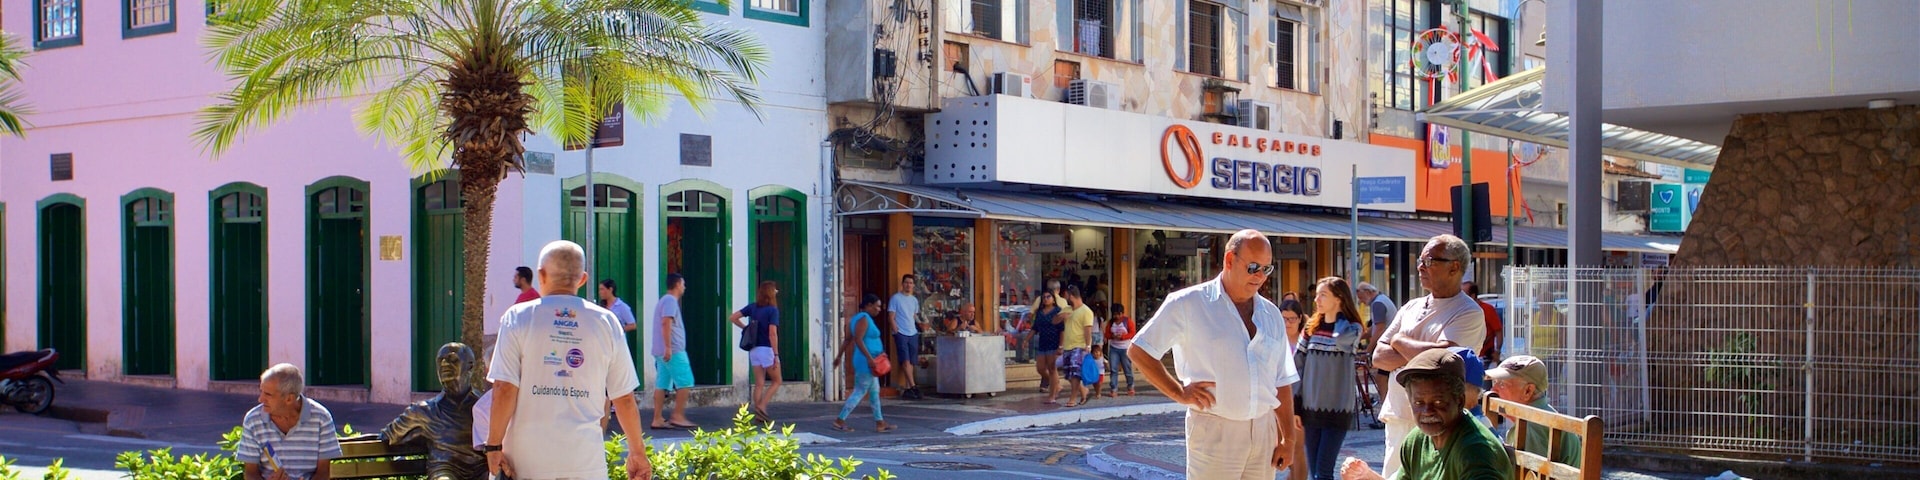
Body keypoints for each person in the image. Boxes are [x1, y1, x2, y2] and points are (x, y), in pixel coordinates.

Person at [1129, 229, 1300, 479]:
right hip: (1215, 431)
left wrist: (1288, 439)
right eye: (1253, 267)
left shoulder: (1272, 314)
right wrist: (1178, 392)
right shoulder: (1188, 303)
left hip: (1264, 432)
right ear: (1230, 260)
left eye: (1266, 269)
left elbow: (1282, 379)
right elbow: (1140, 350)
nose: (1260, 276)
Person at [484, 240, 650, 480]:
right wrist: (637, 452)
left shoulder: (517, 317)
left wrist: (494, 445)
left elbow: (504, 388)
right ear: (582, 279)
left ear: (541, 275)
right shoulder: (607, 322)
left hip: (525, 461)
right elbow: (623, 398)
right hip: (585, 461)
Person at [1371, 235, 1487, 478]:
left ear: (1455, 266)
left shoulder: (1469, 312)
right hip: (1400, 415)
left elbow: (1442, 360)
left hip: (1437, 419)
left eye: (1429, 260)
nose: (1421, 266)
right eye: (1420, 260)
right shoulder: (1411, 307)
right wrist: (1422, 353)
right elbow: (1379, 357)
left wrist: (1400, 341)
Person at [1341, 349, 1513, 480]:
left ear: (1459, 401)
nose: (1427, 411)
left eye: (1438, 402)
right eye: (1418, 403)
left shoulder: (1475, 451)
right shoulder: (1416, 441)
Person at [1295, 277, 1366, 480]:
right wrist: (1295, 406)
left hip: (1337, 409)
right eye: (1317, 294)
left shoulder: (1351, 328)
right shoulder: (1310, 328)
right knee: (1315, 472)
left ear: (1339, 298)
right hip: (1310, 408)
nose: (1316, 299)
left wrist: (1336, 317)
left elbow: (1341, 341)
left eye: (1323, 295)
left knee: (1324, 472)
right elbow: (1297, 366)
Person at [382, 343, 485, 480]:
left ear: (470, 366)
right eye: (440, 360)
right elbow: (387, 436)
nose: (444, 364)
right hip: (444, 470)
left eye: (452, 359)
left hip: (481, 470)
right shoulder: (423, 411)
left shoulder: (485, 406)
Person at [237, 363, 342, 480]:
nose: (260, 399)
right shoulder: (253, 420)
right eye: (261, 391)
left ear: (289, 399)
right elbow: (251, 473)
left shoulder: (321, 418)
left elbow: (323, 473)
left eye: (268, 394)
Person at [1487, 355, 1583, 465]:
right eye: (1494, 382)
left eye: (1502, 384)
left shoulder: (1532, 425)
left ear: (1528, 391)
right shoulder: (1540, 416)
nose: (1493, 390)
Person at [833, 294, 897, 433]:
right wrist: (870, 358)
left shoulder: (854, 320)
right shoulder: (864, 319)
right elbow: (858, 340)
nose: (879, 309)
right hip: (866, 361)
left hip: (866, 360)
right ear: (868, 305)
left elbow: (847, 340)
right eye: (877, 306)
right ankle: (840, 420)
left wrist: (839, 356)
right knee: (860, 391)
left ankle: (880, 422)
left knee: (874, 392)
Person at [729, 281, 784, 422]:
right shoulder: (773, 311)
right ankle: (762, 406)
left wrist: (745, 328)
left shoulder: (753, 307)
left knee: (759, 383)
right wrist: (776, 354)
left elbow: (733, 317)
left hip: (754, 349)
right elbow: (772, 333)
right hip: (767, 349)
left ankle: (759, 413)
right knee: (777, 381)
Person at [650, 273, 696, 430]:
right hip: (673, 350)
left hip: (661, 351)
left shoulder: (663, 300)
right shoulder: (670, 301)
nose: (684, 287)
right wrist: (668, 347)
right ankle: (677, 415)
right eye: (683, 284)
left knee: (662, 383)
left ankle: (657, 418)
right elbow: (666, 323)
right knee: (686, 381)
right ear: (677, 284)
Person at [1357, 281, 1397, 423]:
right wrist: (1359, 337)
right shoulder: (1382, 300)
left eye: (1361, 297)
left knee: (1381, 378)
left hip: (1388, 347)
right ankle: (1387, 409)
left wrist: (1368, 350)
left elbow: (1379, 329)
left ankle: (1386, 412)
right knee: (1382, 378)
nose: (1361, 301)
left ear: (1368, 292)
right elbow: (1373, 330)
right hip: (1391, 346)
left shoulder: (1377, 304)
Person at [1056, 285, 1097, 407]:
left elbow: (1088, 330)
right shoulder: (1067, 309)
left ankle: (1073, 398)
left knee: (1075, 373)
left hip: (1079, 346)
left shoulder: (1086, 311)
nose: (1065, 298)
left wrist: (1088, 345)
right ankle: (1083, 390)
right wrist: (1061, 316)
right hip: (1067, 346)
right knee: (1068, 374)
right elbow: (1054, 321)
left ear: (1071, 296)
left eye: (1066, 296)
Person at [888, 274, 926, 399]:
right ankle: (914, 386)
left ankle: (908, 388)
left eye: (910, 283)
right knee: (905, 360)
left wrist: (921, 324)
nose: (908, 285)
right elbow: (891, 317)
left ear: (913, 285)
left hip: (912, 332)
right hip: (901, 333)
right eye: (906, 282)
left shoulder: (914, 300)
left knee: (911, 361)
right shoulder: (896, 298)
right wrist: (896, 331)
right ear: (902, 284)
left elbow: (914, 315)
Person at [1033, 291, 1067, 401]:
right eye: (1044, 297)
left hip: (1054, 343)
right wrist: (1026, 340)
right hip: (1043, 343)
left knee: (1052, 369)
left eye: (1048, 296)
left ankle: (1052, 395)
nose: (1046, 299)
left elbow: (1062, 330)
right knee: (1041, 368)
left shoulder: (1057, 312)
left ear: (1053, 299)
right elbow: (1035, 327)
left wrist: (1061, 346)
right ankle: (1056, 384)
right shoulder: (1040, 312)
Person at [1463, 281, 1503, 362]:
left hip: (1485, 358)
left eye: (1464, 295)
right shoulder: (1461, 311)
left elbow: (1498, 331)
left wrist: (1497, 351)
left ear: (1473, 296)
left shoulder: (1487, 309)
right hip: (1467, 357)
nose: (1460, 298)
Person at [1104, 304, 1137, 397]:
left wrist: (1122, 337)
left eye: (1119, 314)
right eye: (1115, 314)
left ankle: (1130, 386)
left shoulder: (1128, 321)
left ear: (1122, 313)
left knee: (1127, 369)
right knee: (1113, 369)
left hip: (1125, 348)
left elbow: (1132, 333)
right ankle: (1113, 388)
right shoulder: (1111, 323)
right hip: (1114, 348)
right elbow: (1107, 334)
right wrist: (1112, 336)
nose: (1117, 317)